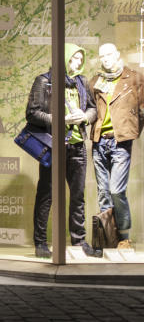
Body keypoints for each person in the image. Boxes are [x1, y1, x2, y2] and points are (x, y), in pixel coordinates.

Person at [25, 43, 99, 259]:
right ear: (64, 58)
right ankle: (40, 242)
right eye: (74, 58)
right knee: (46, 195)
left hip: (77, 146)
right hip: (52, 146)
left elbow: (93, 109)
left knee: (78, 197)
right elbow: (32, 113)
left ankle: (78, 241)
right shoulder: (44, 80)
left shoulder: (81, 82)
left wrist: (84, 117)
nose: (78, 62)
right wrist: (60, 119)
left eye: (80, 59)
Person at [89, 43, 144, 250]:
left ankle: (124, 235)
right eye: (102, 56)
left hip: (120, 141)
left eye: (109, 54)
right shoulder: (96, 81)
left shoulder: (134, 78)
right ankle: (108, 237)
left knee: (116, 189)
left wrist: (132, 130)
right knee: (103, 191)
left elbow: (142, 110)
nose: (105, 59)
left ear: (117, 54)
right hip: (99, 140)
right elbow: (92, 109)